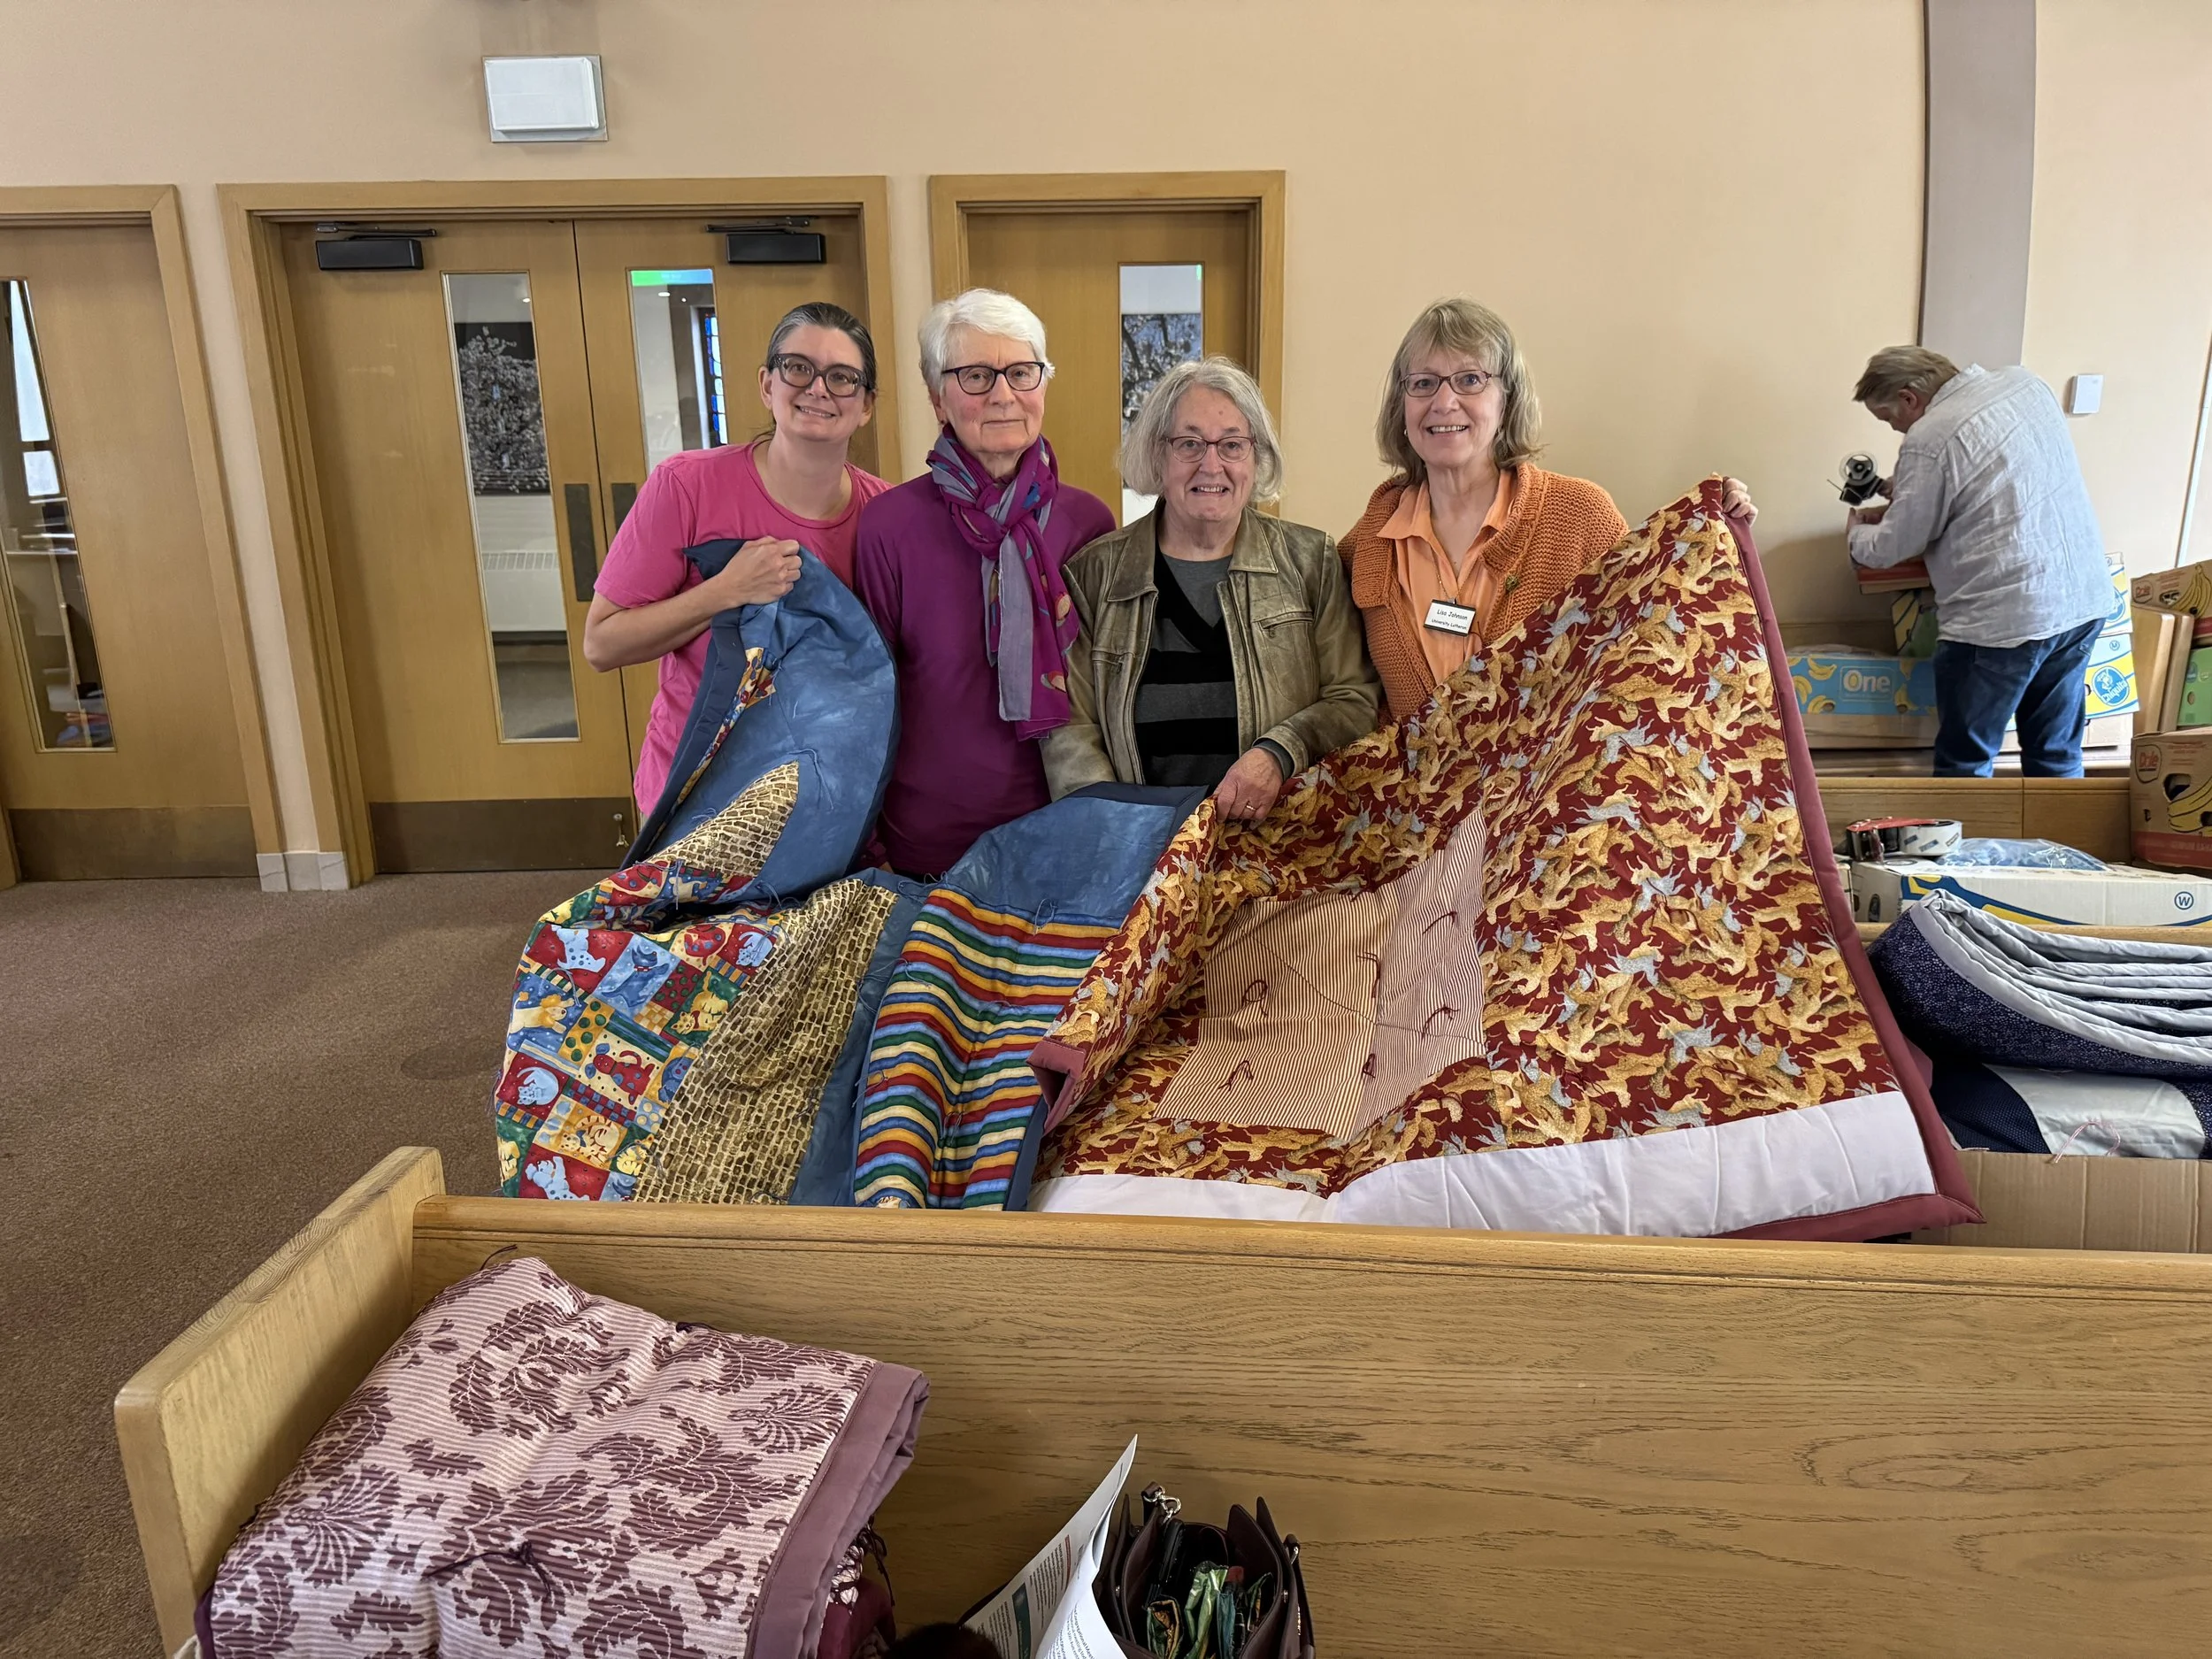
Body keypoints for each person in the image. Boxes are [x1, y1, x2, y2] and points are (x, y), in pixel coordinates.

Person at [1340, 297, 1755, 723]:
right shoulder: (1369, 543)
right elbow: (1339, 687)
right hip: (1417, 788)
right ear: (1401, 405)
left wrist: (1716, 534)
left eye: (1469, 379)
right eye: (1424, 383)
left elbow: (1654, 634)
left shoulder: (1580, 516)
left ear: (1507, 399)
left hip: (1551, 788)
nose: (1444, 402)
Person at [582, 301, 888, 815]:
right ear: (767, 384)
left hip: (828, 794)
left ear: (867, 405)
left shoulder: (886, 514)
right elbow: (602, 644)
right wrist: (725, 592)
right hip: (697, 794)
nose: (817, 389)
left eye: (841, 377)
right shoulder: (687, 486)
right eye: (798, 368)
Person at [1041, 357, 1378, 823]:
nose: (1211, 464)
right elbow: (1072, 730)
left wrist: (1279, 753)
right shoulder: (1093, 575)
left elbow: (1354, 700)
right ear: (1158, 455)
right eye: (1190, 444)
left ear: (1256, 458)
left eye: (1232, 445)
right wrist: (1119, 831)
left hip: (1281, 850)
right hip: (1143, 855)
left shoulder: (1310, 561)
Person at [852, 288, 1115, 878]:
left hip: (1062, 820)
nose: (1003, 395)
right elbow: (869, 697)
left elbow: (1105, 685)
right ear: (937, 397)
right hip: (926, 837)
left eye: (1021, 372)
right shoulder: (890, 526)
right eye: (975, 375)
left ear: (1043, 385)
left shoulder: (1089, 522)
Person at [1846, 346, 2114, 778]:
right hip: (2079, 603)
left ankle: (1967, 847)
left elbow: (1893, 546)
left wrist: (1857, 533)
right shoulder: (2023, 383)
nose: (1895, 428)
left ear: (1910, 397)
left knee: (1965, 764)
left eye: (1888, 416)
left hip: (2001, 626)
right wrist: (1915, 489)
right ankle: (2061, 846)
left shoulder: (1930, 436)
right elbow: (2003, 474)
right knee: (2056, 755)